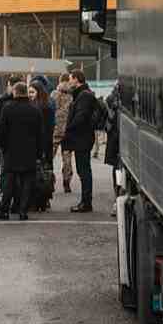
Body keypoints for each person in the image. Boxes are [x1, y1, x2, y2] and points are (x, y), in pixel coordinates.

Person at [0, 82, 44, 220]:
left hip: (11, 151)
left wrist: (3, 147)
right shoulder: (35, 110)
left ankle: (4, 210)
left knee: (9, 182)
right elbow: (40, 134)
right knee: (27, 183)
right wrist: (39, 153)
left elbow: (1, 131)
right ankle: (23, 211)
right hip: (30, 152)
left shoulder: (8, 108)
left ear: (15, 92)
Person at [62, 70, 97, 212]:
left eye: (70, 79)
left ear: (76, 79)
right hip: (82, 137)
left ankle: (86, 202)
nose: (69, 82)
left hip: (82, 138)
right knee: (83, 170)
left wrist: (69, 128)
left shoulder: (84, 95)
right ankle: (85, 201)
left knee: (84, 171)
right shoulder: (83, 94)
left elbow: (81, 116)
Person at [28, 79, 56, 212]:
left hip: (41, 144)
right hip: (44, 144)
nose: (30, 95)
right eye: (29, 92)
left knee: (39, 174)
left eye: (32, 92)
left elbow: (45, 129)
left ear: (39, 92)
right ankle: (43, 200)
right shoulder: (47, 105)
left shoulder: (41, 107)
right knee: (44, 174)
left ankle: (38, 200)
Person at [53, 73, 75, 194]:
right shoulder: (73, 95)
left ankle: (48, 180)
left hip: (55, 129)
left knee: (50, 157)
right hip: (68, 130)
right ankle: (66, 182)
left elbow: (51, 108)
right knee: (67, 158)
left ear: (60, 80)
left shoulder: (54, 94)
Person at [104, 81, 122, 217]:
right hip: (119, 140)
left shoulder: (111, 100)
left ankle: (118, 198)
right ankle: (118, 199)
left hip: (115, 140)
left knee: (117, 170)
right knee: (119, 170)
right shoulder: (114, 101)